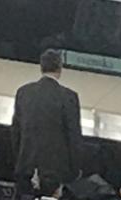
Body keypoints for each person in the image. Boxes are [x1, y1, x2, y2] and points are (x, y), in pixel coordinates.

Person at [12, 49, 82, 188]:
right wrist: (75, 169)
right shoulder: (68, 97)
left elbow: (16, 131)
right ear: (60, 68)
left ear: (41, 67)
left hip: (26, 164)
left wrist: (19, 159)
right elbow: (73, 136)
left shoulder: (24, 92)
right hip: (56, 169)